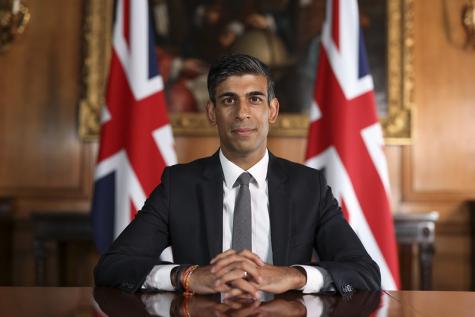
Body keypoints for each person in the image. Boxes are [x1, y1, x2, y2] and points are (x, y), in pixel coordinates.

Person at [94, 54, 380, 299]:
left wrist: (295, 277)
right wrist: (188, 277)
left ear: (272, 110)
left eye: (254, 99)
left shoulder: (309, 187)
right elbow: (113, 266)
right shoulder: (178, 185)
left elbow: (364, 272)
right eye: (229, 100)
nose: (242, 113)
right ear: (212, 112)